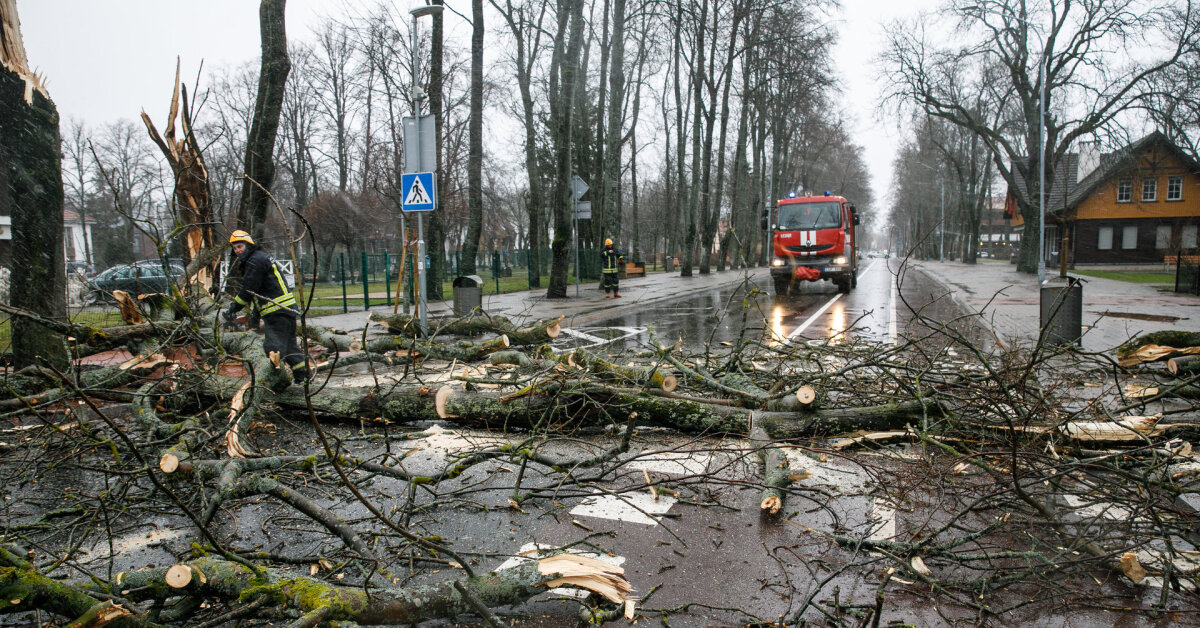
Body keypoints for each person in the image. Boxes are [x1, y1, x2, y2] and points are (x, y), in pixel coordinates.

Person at [224, 230, 310, 385]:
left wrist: (232, 309)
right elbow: (259, 293)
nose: (237, 251)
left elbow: (248, 289)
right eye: (234, 248)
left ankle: (278, 383)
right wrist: (254, 321)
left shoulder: (254, 261)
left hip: (277, 312)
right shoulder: (259, 258)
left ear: (248, 245)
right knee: (290, 348)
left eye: (239, 247)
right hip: (285, 310)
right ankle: (303, 380)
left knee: (273, 350)